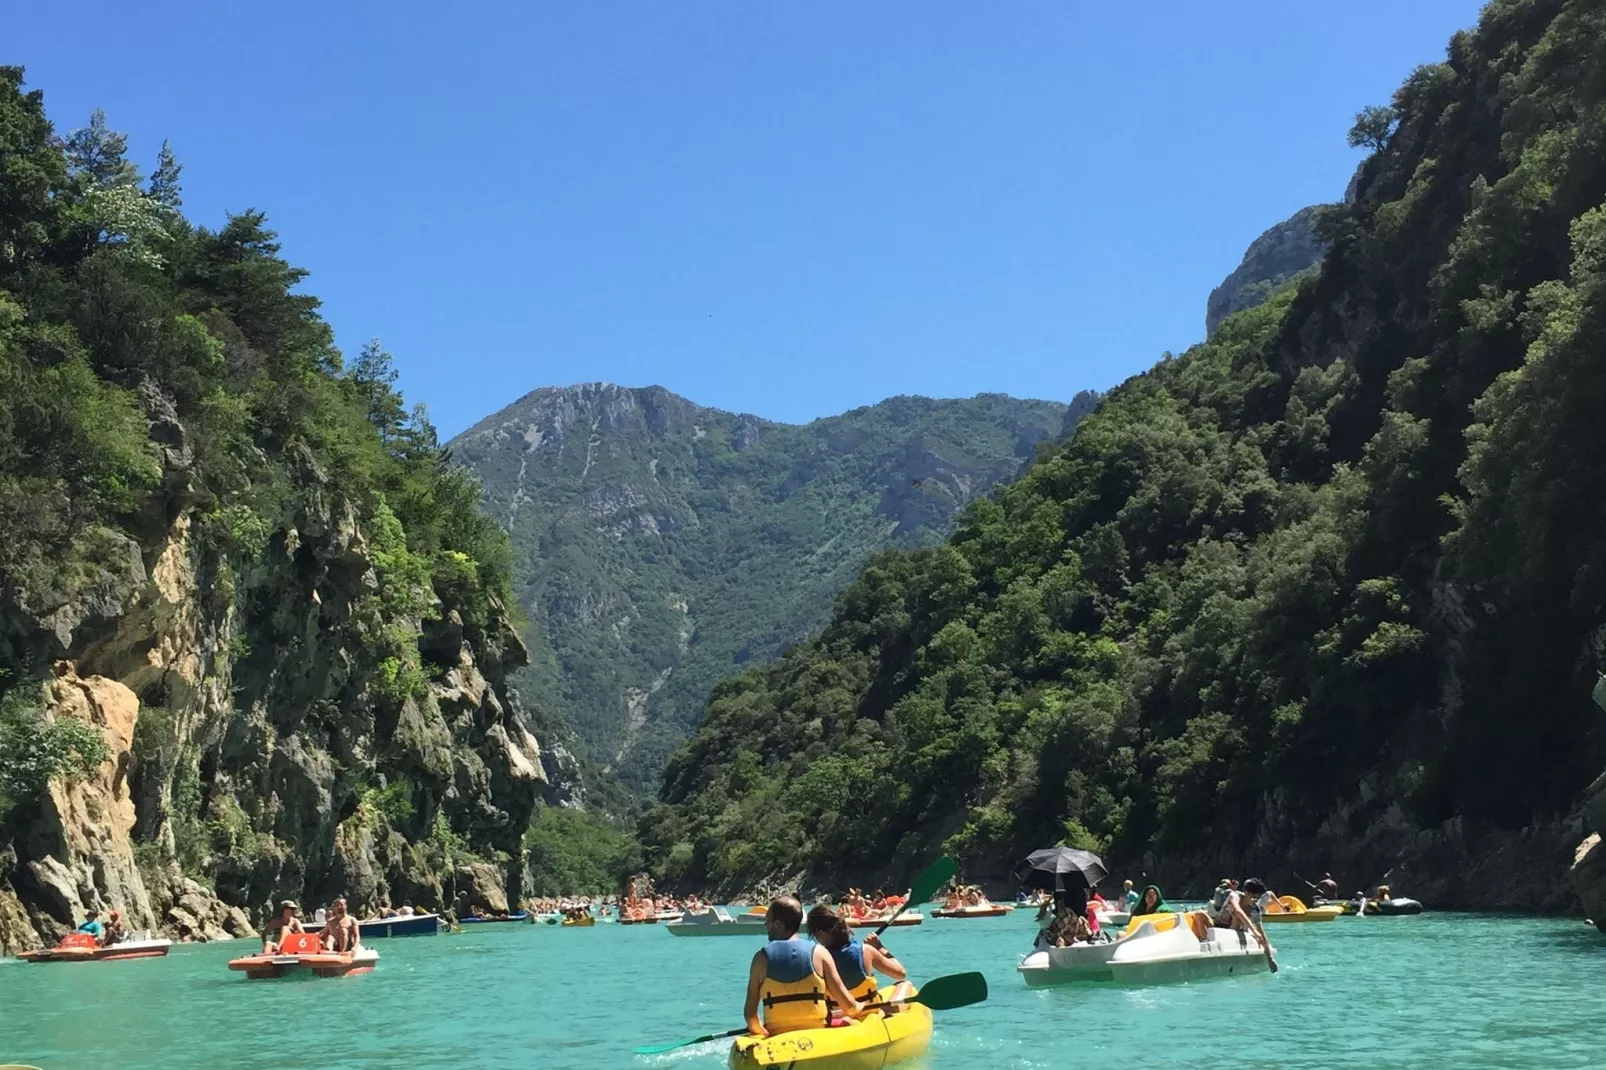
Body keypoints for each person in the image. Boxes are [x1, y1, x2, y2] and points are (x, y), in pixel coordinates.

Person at [743, 896, 863, 1038]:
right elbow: (849, 1007)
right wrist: (860, 1006)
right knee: (853, 1023)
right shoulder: (820, 953)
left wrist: (761, 1032)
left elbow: (750, 1017)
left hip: (778, 1035)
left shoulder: (760, 958)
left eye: (767, 920)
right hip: (817, 1033)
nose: (765, 925)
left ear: (778, 924)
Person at [805, 904, 905, 1007]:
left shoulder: (816, 958)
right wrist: (880, 948)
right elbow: (900, 974)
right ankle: (889, 1012)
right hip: (868, 1011)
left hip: (838, 1013)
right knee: (904, 984)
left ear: (820, 934)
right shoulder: (866, 950)